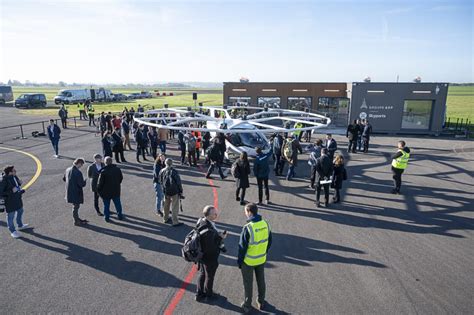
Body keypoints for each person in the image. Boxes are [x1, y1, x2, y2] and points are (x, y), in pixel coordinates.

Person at [238, 203, 272, 313]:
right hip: (261, 258)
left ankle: (247, 304)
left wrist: (240, 261)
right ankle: (261, 301)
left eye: (245, 212)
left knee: (248, 283)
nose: (245, 214)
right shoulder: (265, 224)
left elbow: (242, 247)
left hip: (248, 261)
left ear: (250, 213)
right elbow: (269, 241)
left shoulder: (248, 228)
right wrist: (263, 252)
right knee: (261, 281)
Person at [195, 205, 227, 303]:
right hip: (209, 257)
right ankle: (209, 294)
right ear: (208, 215)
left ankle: (199, 294)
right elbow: (211, 246)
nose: (216, 214)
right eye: (214, 213)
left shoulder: (201, 221)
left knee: (202, 274)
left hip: (201, 255)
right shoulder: (208, 231)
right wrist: (221, 238)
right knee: (210, 276)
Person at [1, 166, 28, 238]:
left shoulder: (14, 176)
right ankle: (12, 231)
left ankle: (20, 225)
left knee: (20, 211)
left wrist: (19, 184)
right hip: (10, 201)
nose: (15, 171)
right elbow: (1, 193)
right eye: (13, 170)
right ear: (9, 172)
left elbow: (16, 186)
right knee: (10, 216)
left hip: (17, 199)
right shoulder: (3, 180)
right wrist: (11, 191)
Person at [97, 156, 124, 222]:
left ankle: (107, 217)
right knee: (118, 204)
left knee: (106, 206)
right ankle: (120, 215)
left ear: (105, 163)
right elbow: (120, 178)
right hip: (116, 190)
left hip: (106, 192)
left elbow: (100, 184)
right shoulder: (117, 169)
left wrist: (99, 190)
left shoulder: (103, 172)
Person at [159, 158, 184, 227]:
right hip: (174, 191)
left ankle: (165, 218)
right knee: (175, 206)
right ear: (172, 163)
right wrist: (181, 191)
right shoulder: (174, 171)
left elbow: (160, 181)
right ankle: (175, 221)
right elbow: (178, 182)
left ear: (165, 163)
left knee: (166, 205)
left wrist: (163, 189)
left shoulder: (162, 171)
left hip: (166, 191)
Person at [63, 158, 88, 226]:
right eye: (81, 165)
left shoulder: (68, 169)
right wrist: (84, 181)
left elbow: (64, 179)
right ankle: (76, 221)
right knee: (76, 207)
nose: (81, 166)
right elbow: (81, 184)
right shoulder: (78, 172)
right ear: (79, 163)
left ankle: (77, 218)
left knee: (75, 206)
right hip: (76, 192)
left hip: (69, 191)